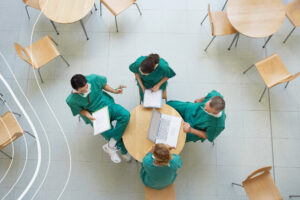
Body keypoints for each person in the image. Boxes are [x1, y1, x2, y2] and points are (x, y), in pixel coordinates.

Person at [66, 74, 131, 163]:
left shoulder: (93, 78)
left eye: (86, 87)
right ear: (76, 90)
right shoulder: (71, 100)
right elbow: (80, 110)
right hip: (96, 115)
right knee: (108, 134)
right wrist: (88, 115)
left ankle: (111, 144)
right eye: (82, 90)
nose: (86, 90)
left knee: (126, 115)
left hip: (108, 104)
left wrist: (115, 91)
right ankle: (124, 151)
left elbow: (103, 85)